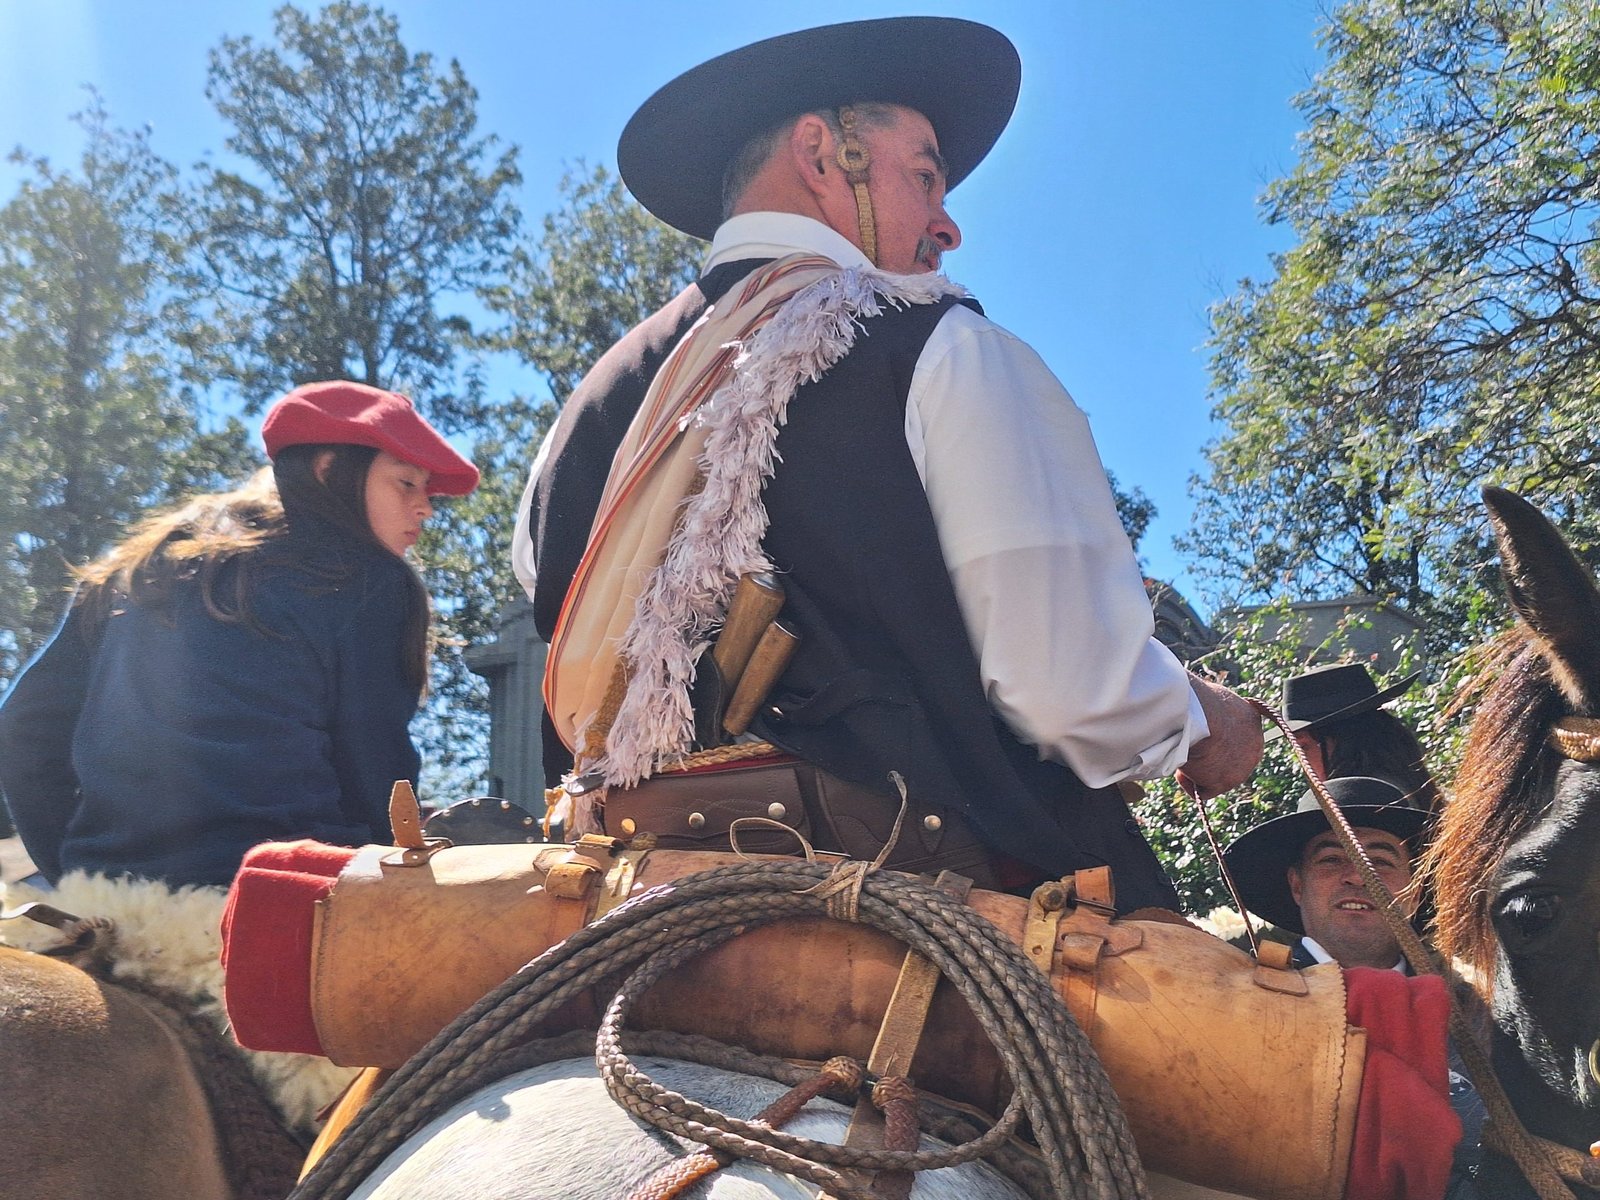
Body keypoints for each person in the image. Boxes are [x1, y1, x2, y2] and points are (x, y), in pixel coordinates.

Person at [512, 18, 1262, 910]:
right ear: (824, 156)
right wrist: (1197, 718)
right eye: (926, 174)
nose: (947, 227)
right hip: (931, 900)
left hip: (635, 897)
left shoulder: (581, 419)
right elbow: (1068, 692)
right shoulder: (942, 347)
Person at [0, 379, 479, 891]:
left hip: (113, 900)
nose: (425, 507)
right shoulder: (369, 578)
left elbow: (24, 729)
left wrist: (75, 873)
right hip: (278, 900)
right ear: (327, 470)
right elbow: (379, 778)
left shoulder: (137, 568)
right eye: (406, 483)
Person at [1223, 776, 1484, 1193]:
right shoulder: (1239, 1005)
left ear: (1415, 893)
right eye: (1331, 859)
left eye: (1379, 860)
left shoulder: (1480, 1019)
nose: (1357, 876)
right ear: (1296, 885)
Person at [1275, 662, 1442, 814]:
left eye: (1304, 747)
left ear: (1343, 740)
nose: (1303, 763)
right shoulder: (1406, 787)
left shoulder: (1362, 798)